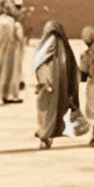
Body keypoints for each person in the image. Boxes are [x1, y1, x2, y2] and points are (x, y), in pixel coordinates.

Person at [33, 20, 83, 149]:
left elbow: (40, 65)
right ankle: (46, 136)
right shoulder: (64, 51)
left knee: (48, 113)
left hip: (51, 87)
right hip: (54, 87)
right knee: (50, 113)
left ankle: (45, 136)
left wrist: (43, 83)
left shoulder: (46, 50)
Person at [0, 0, 25, 104]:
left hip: (0, 50)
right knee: (12, 73)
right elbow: (18, 37)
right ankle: (9, 96)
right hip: (12, 51)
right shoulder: (14, 23)